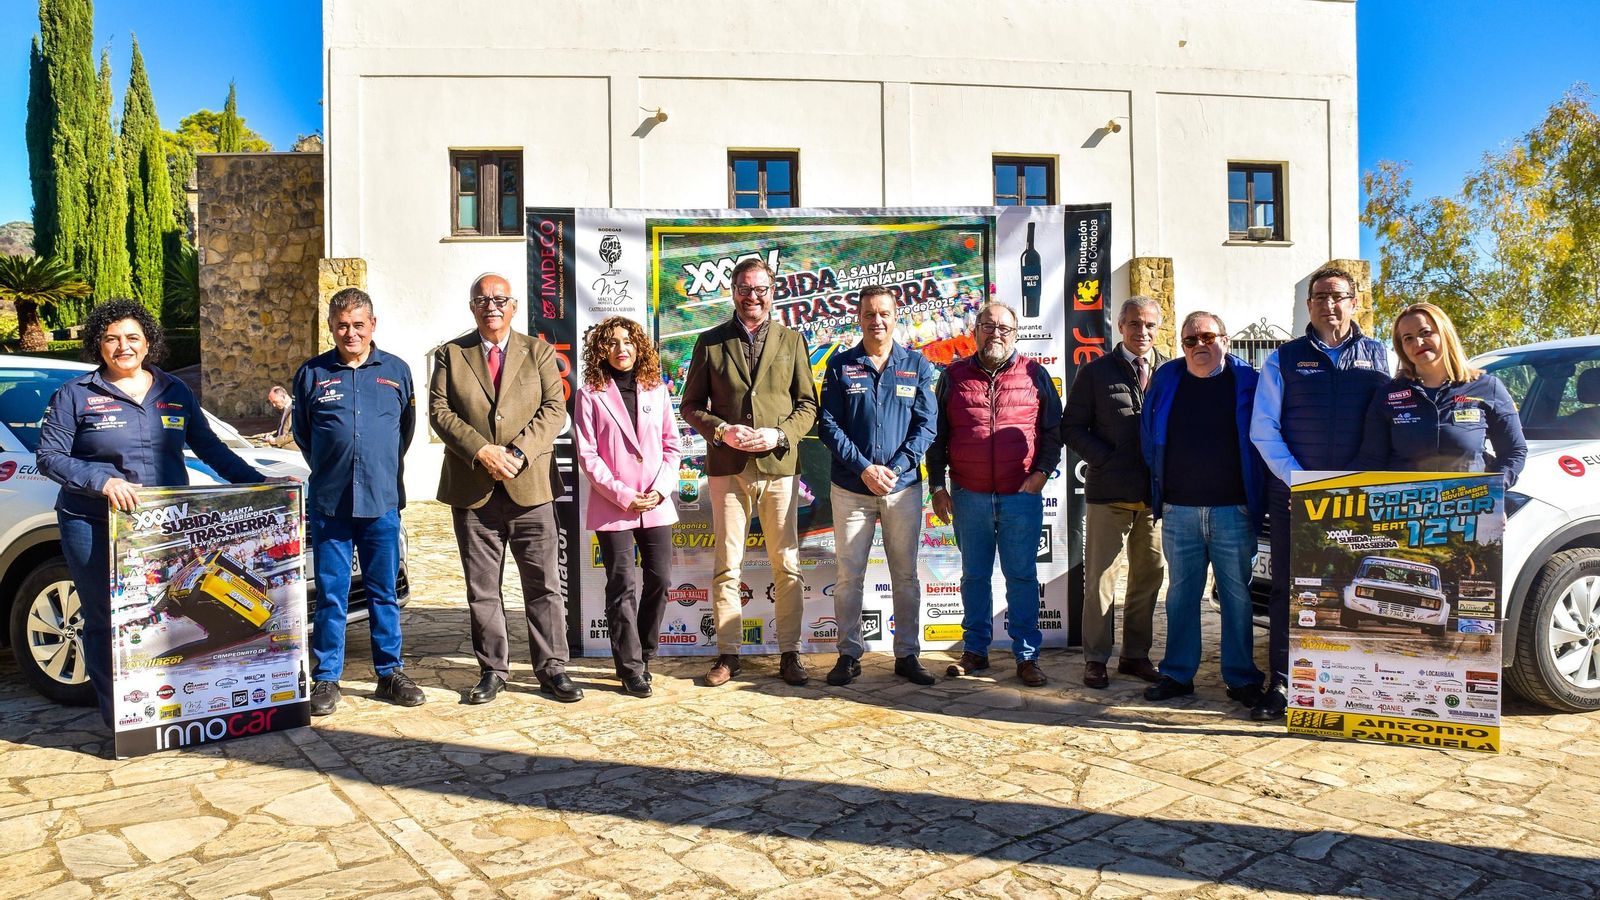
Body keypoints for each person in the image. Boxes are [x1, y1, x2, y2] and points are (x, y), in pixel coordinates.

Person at [37, 299, 267, 728]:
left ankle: (173, 705)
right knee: (106, 618)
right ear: (98, 345)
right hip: (94, 523)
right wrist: (101, 481)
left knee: (166, 614)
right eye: (111, 339)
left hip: (162, 523)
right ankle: (121, 722)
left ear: (147, 343)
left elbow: (210, 447)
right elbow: (49, 456)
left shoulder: (173, 390)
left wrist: (256, 483)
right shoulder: (76, 394)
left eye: (131, 338)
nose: (122, 346)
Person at [1247, 266, 1390, 720]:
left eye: (1338, 296)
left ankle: (1348, 681)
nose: (1329, 304)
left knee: (1353, 586)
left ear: (1354, 301)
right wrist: (1300, 483)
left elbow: (1387, 423)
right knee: (1292, 589)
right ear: (1309, 305)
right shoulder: (1283, 359)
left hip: (1356, 495)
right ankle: (1284, 684)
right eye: (1320, 296)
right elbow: (1263, 428)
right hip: (1294, 495)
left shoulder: (1380, 356)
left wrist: (1353, 483)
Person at [430, 272, 578, 704]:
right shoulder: (451, 354)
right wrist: (482, 451)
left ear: (513, 306)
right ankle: (493, 670)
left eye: (500, 299)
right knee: (482, 589)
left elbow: (555, 409)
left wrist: (516, 453)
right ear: (472, 307)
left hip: (530, 487)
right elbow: (439, 412)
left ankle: (553, 669)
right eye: (482, 300)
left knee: (544, 585)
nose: (491, 306)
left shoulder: (539, 351)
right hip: (473, 490)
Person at [680, 257, 819, 687]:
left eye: (760, 289)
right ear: (733, 291)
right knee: (727, 564)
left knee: (787, 564)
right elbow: (690, 406)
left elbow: (808, 406)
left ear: (772, 292)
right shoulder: (710, 341)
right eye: (744, 288)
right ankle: (728, 653)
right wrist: (721, 430)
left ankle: (790, 653)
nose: (752, 296)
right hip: (727, 467)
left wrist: (778, 435)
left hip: (779, 468)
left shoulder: (792, 340)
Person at [291, 288, 420, 716]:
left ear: (372, 326)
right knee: (331, 594)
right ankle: (327, 677)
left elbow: (404, 433)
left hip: (382, 502)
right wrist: (335, 465)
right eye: (342, 325)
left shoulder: (397, 371)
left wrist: (376, 467)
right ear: (331, 326)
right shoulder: (311, 374)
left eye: (358, 325)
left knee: (383, 592)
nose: (351, 333)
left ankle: (390, 672)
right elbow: (305, 436)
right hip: (331, 505)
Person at [927, 301, 1063, 686]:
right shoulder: (953, 376)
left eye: (1004, 328)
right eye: (988, 326)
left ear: (1016, 334)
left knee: (1021, 576)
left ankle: (1026, 656)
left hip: (1020, 496)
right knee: (974, 577)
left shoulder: (1036, 375)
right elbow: (937, 437)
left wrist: (1040, 475)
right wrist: (938, 485)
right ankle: (975, 651)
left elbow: (1054, 432)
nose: (996, 333)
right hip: (968, 495)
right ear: (975, 331)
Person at [1140, 311, 1267, 706]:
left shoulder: (1248, 382)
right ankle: (1177, 674)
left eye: (1208, 337)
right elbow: (1148, 434)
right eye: (1190, 340)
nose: (1199, 346)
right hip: (1180, 509)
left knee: (1236, 596)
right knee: (1180, 594)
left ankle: (1242, 678)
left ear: (1225, 340)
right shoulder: (1167, 379)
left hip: (1234, 510)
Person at [816, 285, 939, 687]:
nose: (877, 321)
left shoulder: (917, 364)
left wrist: (898, 466)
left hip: (902, 488)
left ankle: (907, 654)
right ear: (859, 318)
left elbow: (927, 426)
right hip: (852, 488)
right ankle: (848, 654)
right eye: (869, 313)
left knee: (905, 576)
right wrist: (865, 467)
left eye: (884, 313)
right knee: (849, 575)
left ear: (895, 315)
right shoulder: (841, 365)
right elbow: (828, 426)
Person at [1062, 296, 1168, 689]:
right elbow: (1071, 427)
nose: (1143, 332)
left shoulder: (1172, 370)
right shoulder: (1096, 372)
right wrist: (1104, 458)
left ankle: (1135, 655)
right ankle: (1096, 658)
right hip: (1109, 493)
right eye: (1135, 324)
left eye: (1150, 325)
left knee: (1148, 578)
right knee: (1102, 580)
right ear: (1120, 326)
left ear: (1159, 328)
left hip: (1155, 496)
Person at [574, 315, 682, 698]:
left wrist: (661, 488)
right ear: (601, 349)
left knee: (662, 579)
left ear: (639, 347)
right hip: (613, 503)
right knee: (621, 585)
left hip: (655, 501)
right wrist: (622, 494)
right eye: (613, 342)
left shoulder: (656, 390)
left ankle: (645, 652)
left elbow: (672, 445)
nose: (622, 349)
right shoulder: (590, 392)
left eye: (628, 341)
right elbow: (587, 455)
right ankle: (630, 667)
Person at [1354, 301, 1526, 483]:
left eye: (1425, 332)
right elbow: (1371, 460)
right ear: (1401, 348)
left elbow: (1513, 452)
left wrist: (1494, 491)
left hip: (1469, 504)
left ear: (1445, 333)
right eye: (1408, 338)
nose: (1418, 342)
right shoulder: (1388, 395)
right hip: (1407, 508)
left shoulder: (1487, 387)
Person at [256, 385, 299, 450]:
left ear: (283, 397)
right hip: (282, 448)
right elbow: (283, 430)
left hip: (292, 450)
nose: (274, 405)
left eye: (275, 401)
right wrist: (271, 436)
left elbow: (295, 433)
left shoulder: (297, 409)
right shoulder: (285, 409)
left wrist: (275, 440)